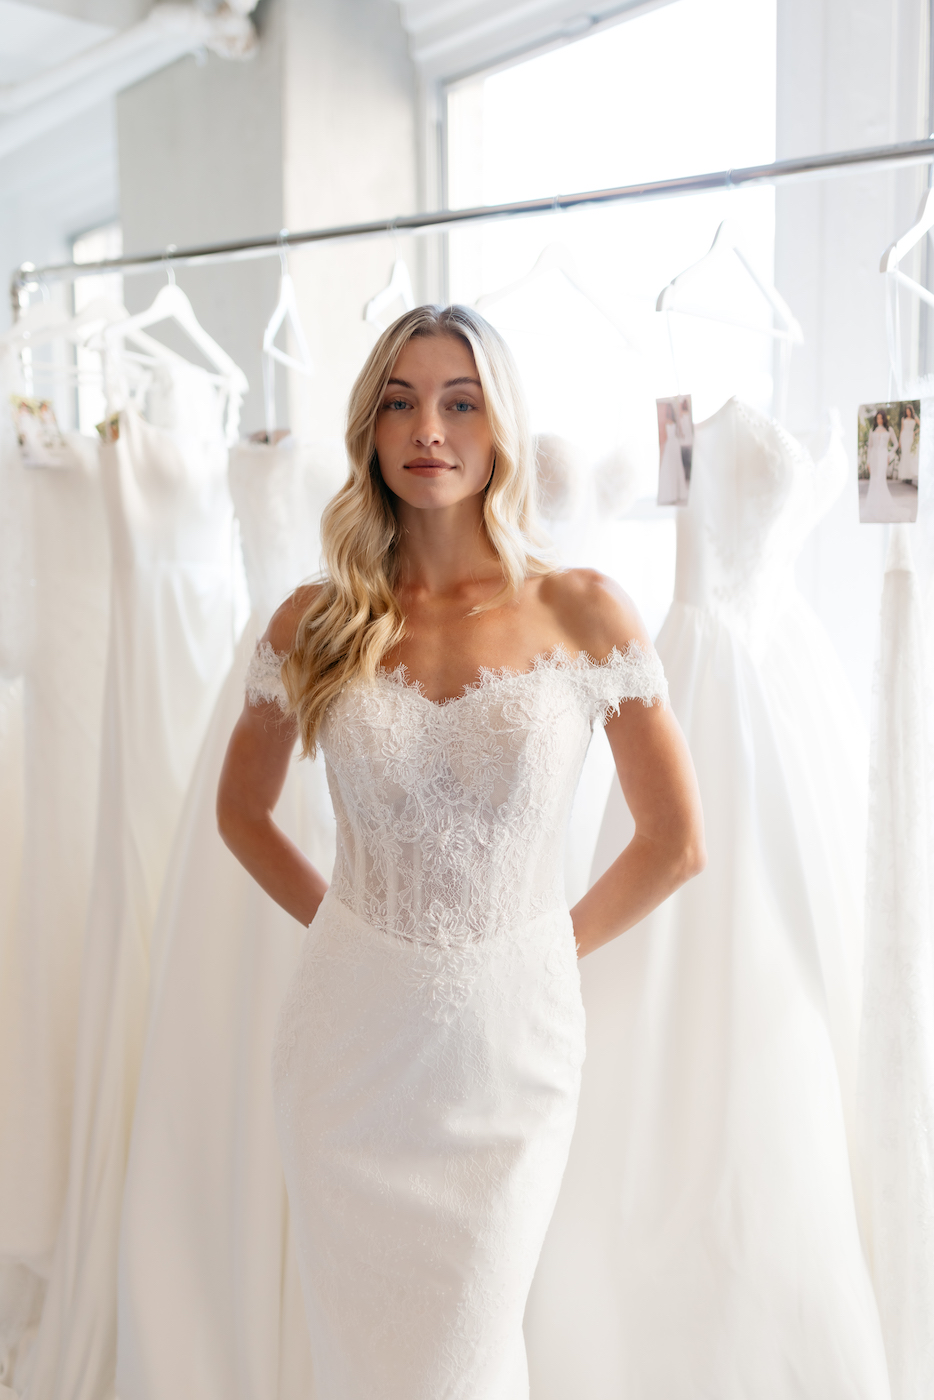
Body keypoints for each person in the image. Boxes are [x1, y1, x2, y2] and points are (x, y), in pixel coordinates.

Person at [216, 304, 705, 1400]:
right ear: (370, 431)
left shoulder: (583, 610)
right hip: (347, 1054)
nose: (427, 428)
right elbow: (240, 812)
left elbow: (675, 842)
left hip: (509, 1051)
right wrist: (349, 932)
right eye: (399, 402)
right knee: (360, 1361)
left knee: (466, 1355)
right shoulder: (314, 620)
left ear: (500, 428)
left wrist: (540, 950)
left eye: (460, 402)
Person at [864, 408, 898, 520]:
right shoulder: (872, 430)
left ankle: (883, 508)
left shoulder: (889, 430)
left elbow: (896, 444)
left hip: (883, 456)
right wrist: (868, 462)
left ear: (884, 419)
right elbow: (870, 447)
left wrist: (889, 454)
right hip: (874, 457)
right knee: (874, 480)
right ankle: (873, 508)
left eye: (881, 418)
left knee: (880, 480)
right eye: (877, 418)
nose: (879, 420)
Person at [898, 402, 918, 481]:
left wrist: (914, 432)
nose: (908, 413)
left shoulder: (915, 418)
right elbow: (902, 429)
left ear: (911, 411)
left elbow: (922, 425)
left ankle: (909, 473)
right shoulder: (903, 419)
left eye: (909, 411)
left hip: (910, 436)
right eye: (906, 411)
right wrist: (899, 440)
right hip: (904, 436)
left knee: (908, 453)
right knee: (904, 453)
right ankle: (904, 474)